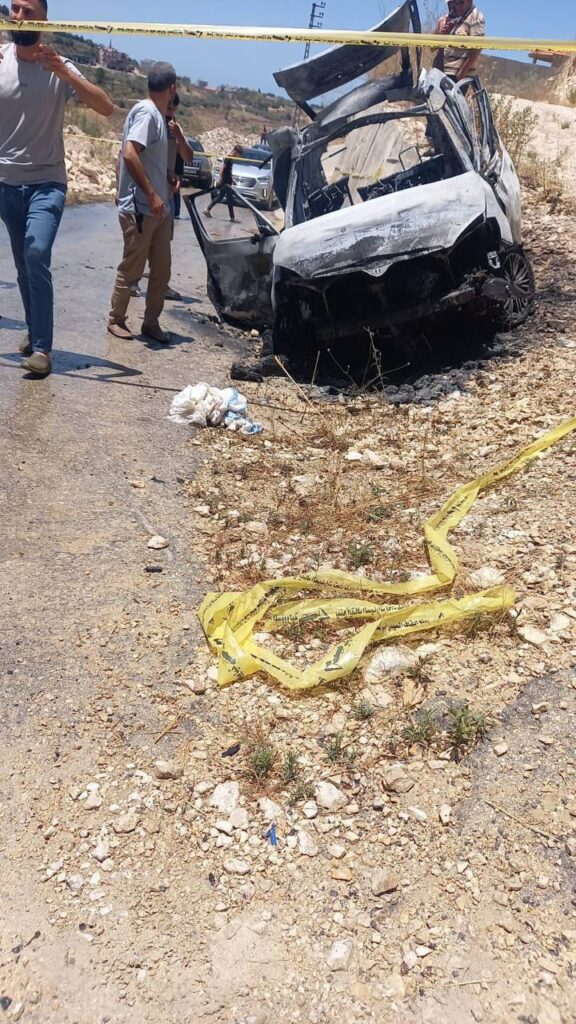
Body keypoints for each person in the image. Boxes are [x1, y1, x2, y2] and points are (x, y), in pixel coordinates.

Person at [0, 0, 113, 376]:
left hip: (46, 184)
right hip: (6, 184)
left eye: (28, 11)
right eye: (15, 8)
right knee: (22, 264)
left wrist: (65, 74)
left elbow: (106, 107)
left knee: (36, 253)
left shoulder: (58, 66)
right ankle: (35, 330)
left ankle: (42, 351)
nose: (19, 16)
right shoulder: (1, 59)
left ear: (45, 20)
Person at [108, 62, 179, 344]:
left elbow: (144, 158)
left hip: (158, 210)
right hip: (140, 208)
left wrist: (166, 178)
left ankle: (151, 322)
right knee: (133, 268)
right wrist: (151, 193)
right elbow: (129, 153)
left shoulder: (157, 116)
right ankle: (116, 319)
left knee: (161, 271)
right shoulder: (148, 113)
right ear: (172, 88)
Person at [434, 0, 485, 82]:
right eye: (455, 3)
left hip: (456, 75)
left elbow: (477, 48)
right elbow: (432, 47)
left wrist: (462, 72)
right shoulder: (451, 17)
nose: (457, 6)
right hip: (440, 70)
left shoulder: (476, 17)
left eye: (461, 2)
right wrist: (441, 33)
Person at [203, 145, 242, 223]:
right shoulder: (228, 157)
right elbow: (222, 168)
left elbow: (228, 170)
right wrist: (220, 179)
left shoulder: (231, 158)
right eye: (239, 154)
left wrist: (232, 180)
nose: (239, 156)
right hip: (225, 182)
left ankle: (207, 209)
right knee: (230, 199)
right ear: (236, 151)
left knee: (221, 196)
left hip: (227, 181)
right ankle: (232, 217)